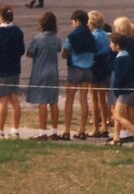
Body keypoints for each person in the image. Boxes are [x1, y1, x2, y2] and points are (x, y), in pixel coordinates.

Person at [0, 4, 25, 140]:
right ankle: (15, 130)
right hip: (14, 68)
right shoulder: (18, 31)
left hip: (2, 69)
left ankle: (0, 131)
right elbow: (21, 51)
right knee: (14, 99)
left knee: (2, 101)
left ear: (0, 17)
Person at [26, 11, 61, 140]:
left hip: (40, 71)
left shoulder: (37, 38)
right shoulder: (56, 38)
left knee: (42, 101)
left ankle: (42, 132)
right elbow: (58, 49)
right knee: (53, 101)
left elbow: (29, 53)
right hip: (53, 71)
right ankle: (55, 131)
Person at [61, 10, 96, 140]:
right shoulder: (91, 36)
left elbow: (65, 53)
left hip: (75, 68)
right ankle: (82, 130)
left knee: (69, 99)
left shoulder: (72, 36)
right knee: (84, 99)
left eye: (73, 21)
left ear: (77, 21)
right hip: (88, 69)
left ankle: (67, 130)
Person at [105, 32, 134, 146]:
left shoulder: (120, 59)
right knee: (118, 114)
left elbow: (119, 79)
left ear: (117, 46)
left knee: (117, 116)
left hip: (124, 91)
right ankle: (116, 138)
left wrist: (116, 92)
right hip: (129, 88)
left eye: (111, 43)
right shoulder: (126, 55)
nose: (110, 45)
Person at [89, 11, 112, 138]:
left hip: (94, 64)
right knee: (103, 97)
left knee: (93, 97)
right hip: (105, 64)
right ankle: (105, 125)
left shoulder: (93, 36)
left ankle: (95, 127)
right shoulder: (106, 34)